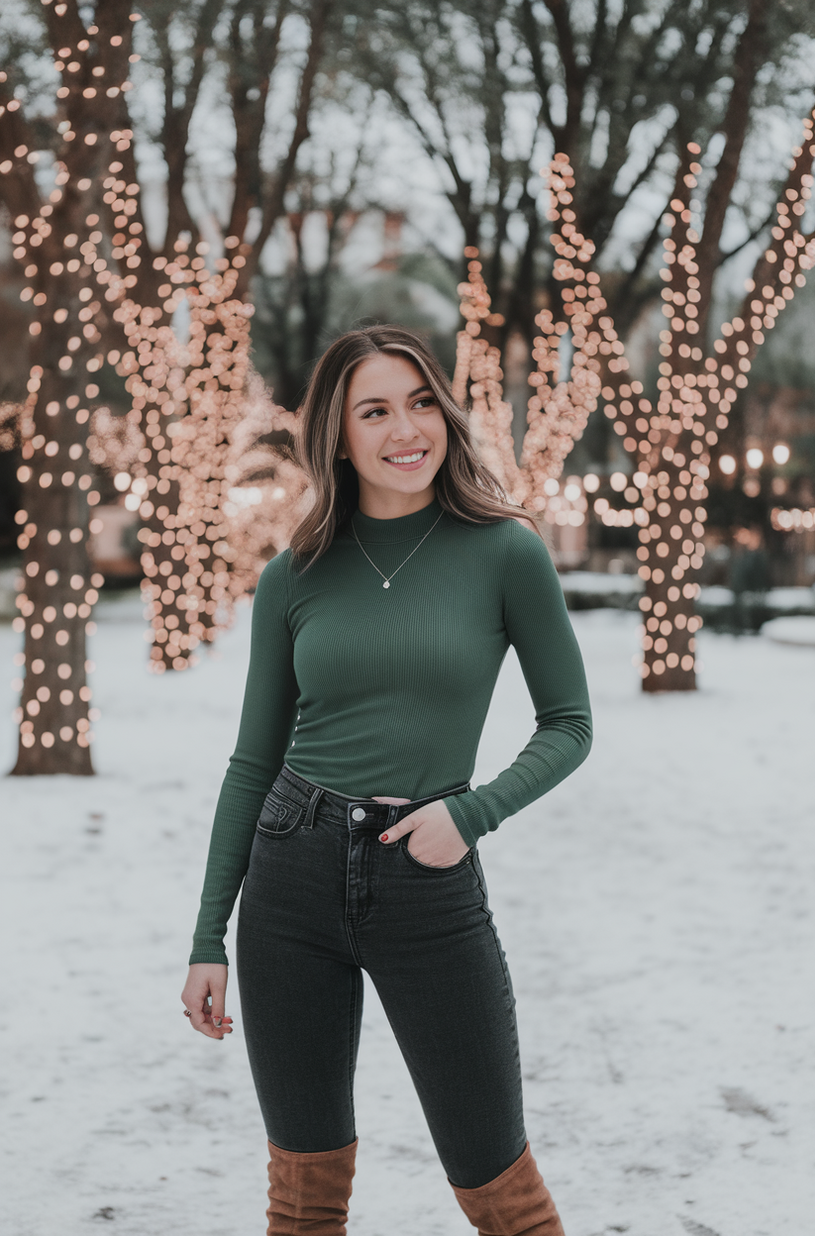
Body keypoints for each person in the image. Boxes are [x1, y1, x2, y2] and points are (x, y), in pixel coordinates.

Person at [181, 325, 592, 1234]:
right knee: (304, 1197)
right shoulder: (295, 575)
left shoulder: (504, 552)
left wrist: (472, 814)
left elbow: (570, 724)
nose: (406, 429)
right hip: (290, 878)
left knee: (502, 1191)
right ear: (338, 434)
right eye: (375, 410)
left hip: (428, 879)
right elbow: (254, 761)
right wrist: (209, 935)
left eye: (418, 402)